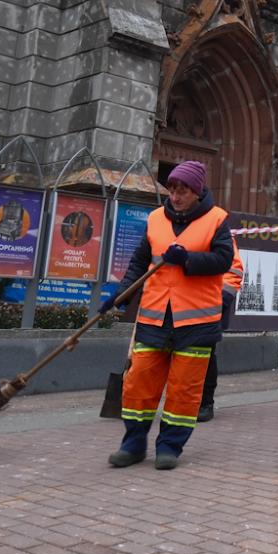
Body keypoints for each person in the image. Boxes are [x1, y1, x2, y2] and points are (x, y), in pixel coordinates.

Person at [107, 160, 235, 470]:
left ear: (197, 192)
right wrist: (121, 298)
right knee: (138, 383)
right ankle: (133, 443)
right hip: (154, 317)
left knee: (183, 390)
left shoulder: (217, 220)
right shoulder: (154, 219)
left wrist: (188, 259)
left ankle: (169, 446)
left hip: (196, 322)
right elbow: (139, 263)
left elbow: (223, 259)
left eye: (183, 191)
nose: (175, 196)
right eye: (173, 190)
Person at [196, 236, 243, 424]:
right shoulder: (163, 222)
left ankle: (205, 403)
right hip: (174, 305)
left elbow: (233, 270)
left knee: (204, 353)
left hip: (209, 304)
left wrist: (219, 301)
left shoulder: (215, 226)